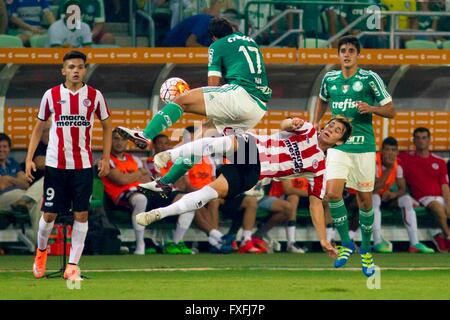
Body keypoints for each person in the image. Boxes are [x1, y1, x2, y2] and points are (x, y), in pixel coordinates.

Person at [136, 117, 353, 260]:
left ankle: (158, 214)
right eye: (331, 125)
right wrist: (290, 122)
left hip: (254, 174)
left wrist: (324, 239)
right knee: (223, 143)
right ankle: (170, 155)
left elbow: (316, 204)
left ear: (339, 142)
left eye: (337, 131)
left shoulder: (319, 169)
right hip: (254, 147)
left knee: (209, 193)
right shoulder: (307, 129)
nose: (331, 129)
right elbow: (285, 125)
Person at [118, 16, 271, 191]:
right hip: (258, 108)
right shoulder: (251, 42)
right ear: (231, 30)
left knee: (182, 100)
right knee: (200, 139)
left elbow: (213, 84)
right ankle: (165, 181)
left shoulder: (216, 46)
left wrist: (203, 101)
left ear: (213, 37)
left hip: (240, 96)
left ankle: (146, 135)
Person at [312, 35, 395, 277]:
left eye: (351, 50)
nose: (347, 54)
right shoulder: (330, 79)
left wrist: (372, 109)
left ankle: (367, 250)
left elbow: (391, 110)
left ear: (358, 54)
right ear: (338, 55)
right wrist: (316, 121)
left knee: (365, 201)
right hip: (339, 146)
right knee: (332, 193)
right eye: (343, 51)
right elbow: (322, 99)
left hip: (364, 147)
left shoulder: (369, 78)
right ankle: (347, 243)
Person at [26, 50, 112, 281]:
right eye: (71, 67)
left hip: (82, 166)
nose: (76, 70)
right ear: (63, 70)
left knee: (81, 214)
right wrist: (29, 158)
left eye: (80, 67)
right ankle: (41, 252)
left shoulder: (94, 96)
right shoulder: (51, 95)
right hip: (55, 165)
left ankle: (72, 266)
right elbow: (38, 128)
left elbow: (106, 127)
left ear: (85, 70)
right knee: (49, 214)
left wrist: (105, 157)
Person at [372, 137, 434, 254]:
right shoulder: (373, 162)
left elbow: (402, 189)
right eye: (387, 150)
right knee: (375, 199)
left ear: (397, 152)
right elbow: (374, 188)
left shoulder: (398, 164)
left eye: (393, 150)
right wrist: (389, 169)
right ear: (381, 151)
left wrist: (393, 194)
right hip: (369, 197)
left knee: (406, 200)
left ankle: (415, 244)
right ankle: (377, 242)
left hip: (386, 198)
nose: (390, 153)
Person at [101, 128, 153, 255]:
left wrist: (134, 176)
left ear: (127, 142)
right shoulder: (106, 160)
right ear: (110, 141)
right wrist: (139, 174)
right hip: (120, 196)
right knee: (141, 199)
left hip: (141, 190)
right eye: (116, 139)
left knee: (177, 197)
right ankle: (140, 245)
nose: (120, 142)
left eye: (123, 139)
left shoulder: (134, 159)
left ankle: (174, 242)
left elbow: (147, 178)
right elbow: (121, 180)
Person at [398, 127, 450, 253]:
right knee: (438, 208)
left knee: (444, 208)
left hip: (440, 197)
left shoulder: (439, 161)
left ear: (429, 140)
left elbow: (444, 185)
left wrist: (448, 203)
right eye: (418, 138)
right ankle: (448, 236)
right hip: (423, 197)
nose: (421, 141)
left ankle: (440, 237)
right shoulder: (405, 158)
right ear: (414, 140)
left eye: (424, 138)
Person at [0, 133, 43, 243]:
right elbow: (1, 186)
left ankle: (38, 243)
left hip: (19, 195)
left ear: (9, 149)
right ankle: (41, 242)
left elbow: (26, 183)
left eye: (4, 146)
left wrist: (9, 179)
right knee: (36, 199)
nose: (2, 149)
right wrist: (16, 181)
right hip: (3, 199)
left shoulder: (13, 163)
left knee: (39, 200)